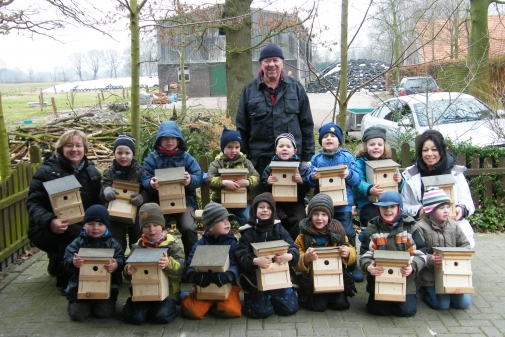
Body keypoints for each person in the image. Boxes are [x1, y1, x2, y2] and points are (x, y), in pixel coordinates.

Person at [27, 130, 102, 294]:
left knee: (93, 232)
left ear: (85, 149)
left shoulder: (91, 172)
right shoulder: (47, 172)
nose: (74, 149)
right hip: (45, 228)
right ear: (61, 149)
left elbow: (97, 202)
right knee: (74, 232)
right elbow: (33, 203)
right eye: (69, 146)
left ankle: (62, 262)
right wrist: (50, 221)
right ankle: (66, 280)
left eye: (78, 145)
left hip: (79, 224)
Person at [236, 43, 315, 197]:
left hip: (292, 161)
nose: (271, 64)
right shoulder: (249, 91)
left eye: (275, 60)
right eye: (267, 61)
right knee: (262, 206)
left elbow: (307, 125)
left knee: (292, 206)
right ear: (260, 64)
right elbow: (242, 128)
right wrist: (245, 160)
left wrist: (306, 158)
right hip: (260, 161)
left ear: (282, 62)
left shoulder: (296, 88)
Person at [307, 122, 363, 282]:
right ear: (321, 141)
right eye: (325, 136)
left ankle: (351, 264)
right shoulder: (316, 159)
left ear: (339, 141)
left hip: (343, 205)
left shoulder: (347, 157)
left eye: (333, 136)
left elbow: (357, 180)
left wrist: (349, 174)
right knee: (324, 232)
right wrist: (313, 177)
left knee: (347, 232)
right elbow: (309, 181)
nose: (329, 139)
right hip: (322, 206)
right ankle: (329, 262)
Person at [401, 130, 476, 248]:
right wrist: (418, 210)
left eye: (434, 149)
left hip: (452, 232)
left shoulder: (455, 172)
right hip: (423, 233)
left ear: (441, 150)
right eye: (425, 150)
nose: (429, 154)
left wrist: (460, 209)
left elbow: (468, 203)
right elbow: (403, 206)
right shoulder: (411, 175)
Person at [142, 121, 202, 261]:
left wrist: (190, 180)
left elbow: (199, 176)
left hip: (185, 203)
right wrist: (151, 183)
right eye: (165, 138)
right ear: (159, 140)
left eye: (173, 138)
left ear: (178, 140)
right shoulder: (152, 159)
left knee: (188, 227)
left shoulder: (187, 158)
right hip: (159, 204)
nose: (169, 141)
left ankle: (192, 263)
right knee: (153, 228)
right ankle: (156, 262)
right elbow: (145, 179)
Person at [359, 191, 427, 317]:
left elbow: (421, 254)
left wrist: (412, 267)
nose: (388, 210)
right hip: (379, 280)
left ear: (399, 208)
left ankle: (409, 297)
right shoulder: (373, 230)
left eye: (392, 207)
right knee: (378, 311)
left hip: (406, 281)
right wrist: (368, 266)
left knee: (406, 311)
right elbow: (364, 254)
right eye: (384, 207)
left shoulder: (410, 229)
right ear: (378, 209)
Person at [235, 192, 300, 319]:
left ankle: (287, 293)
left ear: (273, 211)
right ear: (254, 210)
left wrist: (290, 256)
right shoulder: (248, 231)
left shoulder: (279, 229)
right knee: (261, 312)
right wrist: (254, 261)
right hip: (256, 280)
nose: (265, 210)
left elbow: (293, 246)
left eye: (269, 208)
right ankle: (256, 298)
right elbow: (240, 253)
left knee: (289, 309)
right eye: (261, 207)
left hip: (279, 277)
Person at [123, 203, 185, 325]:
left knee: (161, 316)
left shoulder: (172, 245)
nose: (151, 229)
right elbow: (126, 271)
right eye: (146, 226)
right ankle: (138, 306)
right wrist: (128, 270)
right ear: (141, 228)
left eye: (155, 225)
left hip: (168, 291)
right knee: (136, 317)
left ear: (162, 226)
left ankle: (164, 307)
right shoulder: (138, 247)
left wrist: (169, 263)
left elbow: (181, 267)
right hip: (143, 291)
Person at [294, 193, 357, 312]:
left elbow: (352, 251)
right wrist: (306, 258)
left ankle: (334, 295)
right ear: (310, 215)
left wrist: (348, 252)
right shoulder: (302, 235)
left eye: (324, 215)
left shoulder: (338, 232)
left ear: (330, 216)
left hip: (334, 276)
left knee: (340, 305)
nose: (319, 218)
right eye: (315, 214)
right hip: (313, 277)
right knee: (319, 306)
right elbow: (296, 259)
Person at [62, 205, 124, 321]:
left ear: (106, 227)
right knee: (77, 315)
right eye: (90, 224)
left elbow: (121, 258)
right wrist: (73, 262)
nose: (95, 228)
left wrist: (116, 265)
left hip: (105, 287)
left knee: (104, 313)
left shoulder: (112, 243)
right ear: (84, 225)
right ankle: (76, 304)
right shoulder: (78, 242)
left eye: (100, 224)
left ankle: (99, 303)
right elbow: (66, 259)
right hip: (80, 287)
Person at [181, 202, 242, 319]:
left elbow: (235, 264)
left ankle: (215, 305)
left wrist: (228, 275)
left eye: (227, 220)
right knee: (192, 311)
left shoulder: (231, 242)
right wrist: (195, 276)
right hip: (204, 287)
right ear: (210, 227)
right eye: (221, 220)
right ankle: (185, 296)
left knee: (231, 311)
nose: (227, 223)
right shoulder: (200, 244)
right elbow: (190, 265)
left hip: (226, 286)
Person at [416, 187, 472, 310]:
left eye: (447, 207)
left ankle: (451, 293)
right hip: (431, 278)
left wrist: (460, 256)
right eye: (441, 208)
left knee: (463, 303)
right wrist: (430, 259)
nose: (446, 211)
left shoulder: (453, 225)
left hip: (453, 274)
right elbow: (416, 253)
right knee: (442, 305)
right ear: (430, 210)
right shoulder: (420, 228)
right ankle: (424, 290)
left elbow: (465, 244)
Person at [100, 134, 148, 252]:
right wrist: (106, 191)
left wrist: (142, 197)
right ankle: (117, 267)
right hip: (115, 218)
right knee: (116, 247)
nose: (123, 156)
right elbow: (103, 188)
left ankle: (134, 267)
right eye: (119, 153)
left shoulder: (141, 171)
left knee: (137, 245)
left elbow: (148, 190)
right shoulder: (109, 173)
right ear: (114, 153)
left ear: (132, 154)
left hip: (136, 217)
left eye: (127, 153)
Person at [354, 126, 404, 238]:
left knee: (398, 215)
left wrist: (399, 181)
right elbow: (357, 181)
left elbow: (400, 184)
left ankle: (392, 241)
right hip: (367, 203)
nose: (376, 147)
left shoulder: (388, 163)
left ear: (384, 147)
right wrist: (369, 189)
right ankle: (367, 243)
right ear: (365, 147)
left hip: (388, 202)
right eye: (372, 145)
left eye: (379, 145)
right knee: (370, 219)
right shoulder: (360, 163)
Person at [260, 133, 310, 240]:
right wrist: (268, 182)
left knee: (299, 220)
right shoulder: (270, 167)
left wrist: (301, 181)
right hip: (276, 203)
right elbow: (262, 186)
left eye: (288, 146)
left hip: (296, 202)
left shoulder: (300, 167)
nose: (284, 149)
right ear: (275, 150)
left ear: (294, 151)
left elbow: (307, 187)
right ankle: (277, 240)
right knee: (272, 218)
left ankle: (291, 242)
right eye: (281, 146)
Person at [207, 126, 260, 226]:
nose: (233, 150)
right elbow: (209, 179)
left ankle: (247, 238)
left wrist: (248, 182)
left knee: (248, 219)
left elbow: (256, 177)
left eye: (237, 147)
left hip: (243, 201)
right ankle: (224, 239)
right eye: (229, 147)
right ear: (223, 148)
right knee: (219, 221)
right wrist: (223, 182)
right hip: (221, 202)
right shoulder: (217, 163)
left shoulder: (246, 162)